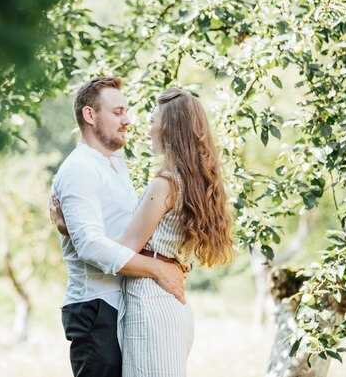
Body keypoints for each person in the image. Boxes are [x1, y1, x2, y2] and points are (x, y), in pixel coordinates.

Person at [53, 86, 235, 376]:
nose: (131, 121)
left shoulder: (146, 177)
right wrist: (74, 232)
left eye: (150, 120)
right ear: (90, 115)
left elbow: (122, 242)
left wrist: (70, 230)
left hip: (146, 304)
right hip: (99, 306)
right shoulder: (82, 169)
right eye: (118, 112)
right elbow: (93, 244)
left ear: (170, 130)